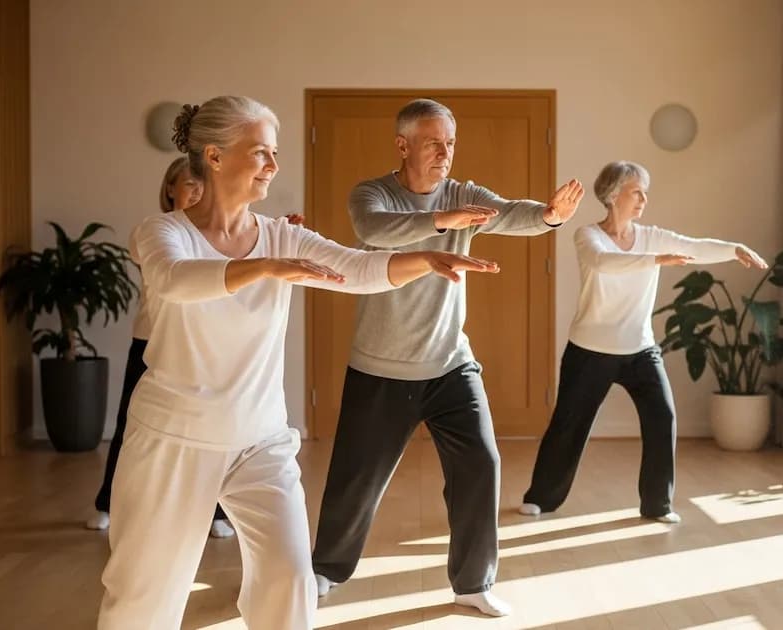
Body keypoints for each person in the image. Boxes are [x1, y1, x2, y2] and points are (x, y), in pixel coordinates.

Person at [97, 95, 498, 630]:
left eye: (276, 153)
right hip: (174, 438)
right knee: (143, 599)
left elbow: (357, 269)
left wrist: (424, 257)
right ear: (214, 157)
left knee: (289, 583)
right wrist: (263, 267)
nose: (273, 165)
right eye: (260, 152)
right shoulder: (164, 231)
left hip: (259, 438)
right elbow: (175, 281)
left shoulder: (282, 236)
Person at [311, 98, 584, 618]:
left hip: (450, 364)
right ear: (403, 144)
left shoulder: (465, 193)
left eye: (450, 142)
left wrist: (548, 217)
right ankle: (326, 569)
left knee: (481, 463)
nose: (445, 152)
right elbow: (374, 231)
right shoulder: (372, 193)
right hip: (380, 368)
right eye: (434, 141)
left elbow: (508, 213)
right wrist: (443, 220)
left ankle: (473, 582)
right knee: (355, 480)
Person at [519, 160, 767, 522]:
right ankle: (541, 497)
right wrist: (655, 260)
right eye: (637, 192)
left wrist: (734, 248)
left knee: (662, 418)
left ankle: (657, 504)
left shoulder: (651, 235)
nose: (643, 200)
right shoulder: (588, 236)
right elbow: (605, 263)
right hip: (590, 351)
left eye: (644, 193)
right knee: (569, 425)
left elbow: (694, 246)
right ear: (614, 194)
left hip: (640, 349)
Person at [87, 156, 240, 539]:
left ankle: (216, 512)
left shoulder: (219, 232)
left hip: (204, 346)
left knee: (214, 428)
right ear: (170, 188)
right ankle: (108, 502)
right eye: (189, 183)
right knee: (130, 426)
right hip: (152, 340)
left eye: (203, 185)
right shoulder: (151, 231)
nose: (197, 191)